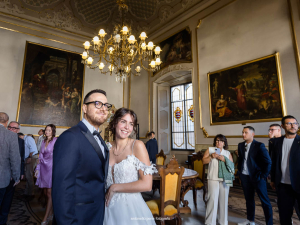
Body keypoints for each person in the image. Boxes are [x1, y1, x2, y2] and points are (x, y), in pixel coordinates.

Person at [52, 89, 111, 225]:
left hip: (95, 213)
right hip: (77, 217)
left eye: (106, 105)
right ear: (84, 108)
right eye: (97, 104)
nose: (103, 109)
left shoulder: (99, 138)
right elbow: (62, 188)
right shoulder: (71, 137)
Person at [104, 108, 157, 225]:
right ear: (114, 123)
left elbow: (147, 185)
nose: (127, 127)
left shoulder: (137, 145)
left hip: (131, 209)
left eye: (131, 124)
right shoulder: (106, 147)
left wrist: (114, 187)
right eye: (123, 121)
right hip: (106, 209)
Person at [237, 126, 272, 225]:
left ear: (253, 134)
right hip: (245, 177)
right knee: (249, 200)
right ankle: (250, 220)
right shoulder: (240, 145)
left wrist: (263, 175)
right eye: (243, 132)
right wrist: (239, 173)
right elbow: (240, 161)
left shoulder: (259, 145)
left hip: (258, 177)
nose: (243, 134)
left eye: (246, 132)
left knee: (265, 202)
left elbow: (268, 162)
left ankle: (269, 223)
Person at [270, 115, 300, 225]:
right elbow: (274, 162)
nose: (293, 126)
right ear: (282, 126)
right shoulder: (276, 142)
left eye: (295, 123)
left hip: (298, 183)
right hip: (283, 185)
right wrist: (273, 179)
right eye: (289, 123)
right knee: (284, 215)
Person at [202, 134, 234, 225]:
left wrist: (224, 159)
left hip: (225, 179)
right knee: (212, 200)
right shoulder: (210, 150)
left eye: (220, 141)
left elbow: (232, 166)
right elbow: (203, 161)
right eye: (217, 140)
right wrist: (211, 157)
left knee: (223, 201)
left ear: (224, 143)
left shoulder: (227, 153)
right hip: (213, 178)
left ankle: (223, 222)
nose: (218, 142)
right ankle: (209, 222)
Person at [0, 121, 25, 225]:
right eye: (9, 127)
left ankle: (2, 221)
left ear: (18, 130)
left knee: (7, 202)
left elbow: (20, 159)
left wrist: (19, 173)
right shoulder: (4, 136)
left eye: (14, 128)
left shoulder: (20, 142)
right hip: (4, 175)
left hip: (12, 177)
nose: (11, 129)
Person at [35, 124, 57, 224]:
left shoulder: (56, 140)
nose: (47, 131)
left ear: (53, 131)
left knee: (49, 193)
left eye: (49, 130)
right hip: (43, 168)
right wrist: (37, 169)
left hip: (51, 168)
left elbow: (59, 155)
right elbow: (40, 156)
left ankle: (45, 217)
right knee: (45, 192)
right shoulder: (44, 141)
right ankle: (51, 213)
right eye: (46, 130)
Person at [0, 112, 21, 209]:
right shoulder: (11, 136)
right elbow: (15, 158)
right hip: (2, 177)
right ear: (7, 122)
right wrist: (16, 176)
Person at [18, 132, 38, 198]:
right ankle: (27, 192)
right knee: (27, 175)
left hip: (31, 158)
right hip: (28, 158)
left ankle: (31, 193)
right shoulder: (25, 139)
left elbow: (33, 149)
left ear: (20, 136)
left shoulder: (28, 138)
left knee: (29, 176)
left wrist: (29, 157)